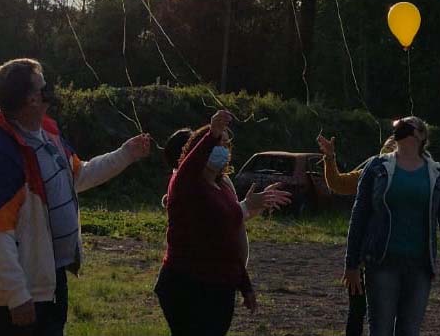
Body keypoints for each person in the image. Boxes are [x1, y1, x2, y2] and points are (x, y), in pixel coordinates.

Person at [0, 58, 152, 336]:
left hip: (49, 279)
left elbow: (79, 176)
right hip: (20, 296)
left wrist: (126, 154)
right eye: (43, 85)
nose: (50, 89)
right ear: (32, 99)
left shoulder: (48, 137)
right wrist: (17, 295)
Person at [344, 116, 440, 336]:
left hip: (420, 266)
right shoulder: (377, 167)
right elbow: (359, 215)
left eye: (409, 126)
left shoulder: (437, 173)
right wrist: (351, 264)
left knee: (409, 331)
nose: (402, 128)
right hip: (381, 262)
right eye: (400, 125)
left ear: (422, 136)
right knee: (381, 329)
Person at [155, 110, 257, 336]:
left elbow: (228, 240)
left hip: (219, 288)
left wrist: (245, 285)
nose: (222, 149)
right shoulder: (185, 184)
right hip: (187, 285)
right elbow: (189, 168)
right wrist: (212, 133)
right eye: (217, 144)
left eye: (225, 145)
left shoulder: (224, 188)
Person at [162, 128, 292, 273]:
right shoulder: (187, 186)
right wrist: (247, 205)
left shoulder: (222, 181)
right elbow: (213, 221)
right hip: (195, 275)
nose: (222, 150)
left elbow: (234, 218)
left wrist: (259, 203)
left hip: (224, 273)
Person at [317, 133, 399, 336]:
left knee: (391, 313)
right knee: (358, 310)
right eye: (388, 146)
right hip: (365, 255)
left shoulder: (412, 179)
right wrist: (329, 157)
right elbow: (337, 183)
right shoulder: (370, 173)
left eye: (393, 147)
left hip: (397, 257)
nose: (389, 150)